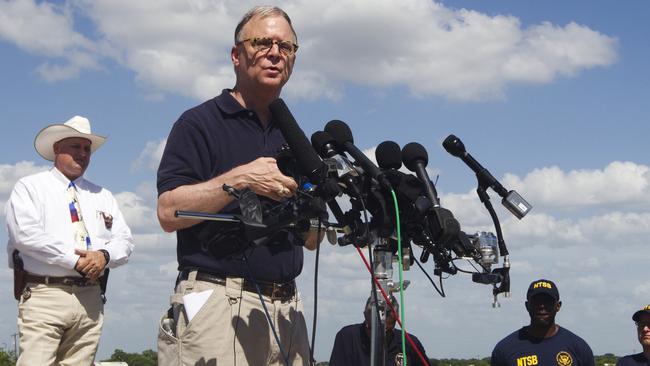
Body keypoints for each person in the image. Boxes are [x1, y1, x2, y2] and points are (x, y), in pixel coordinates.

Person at [156, 5, 321, 366]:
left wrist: (314, 211)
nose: (275, 53)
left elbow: (312, 240)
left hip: (288, 308)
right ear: (236, 55)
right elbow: (168, 212)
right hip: (219, 303)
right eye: (262, 42)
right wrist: (240, 179)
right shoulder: (198, 122)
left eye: (287, 47)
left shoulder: (295, 137)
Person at [5, 115, 134, 366]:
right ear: (57, 148)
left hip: (90, 297)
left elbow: (125, 240)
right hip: (45, 294)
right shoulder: (30, 187)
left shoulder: (102, 194)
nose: (83, 154)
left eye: (87, 149)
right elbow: (25, 235)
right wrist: (76, 260)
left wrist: (104, 256)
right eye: (75, 146)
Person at [491, 279, 595, 366]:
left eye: (547, 301)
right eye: (537, 301)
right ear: (527, 306)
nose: (542, 306)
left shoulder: (579, 348)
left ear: (558, 306)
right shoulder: (505, 349)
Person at [329, 295, 431, 366]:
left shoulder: (409, 343)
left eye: (387, 329)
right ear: (365, 315)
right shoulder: (347, 337)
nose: (381, 335)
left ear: (396, 319)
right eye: (373, 329)